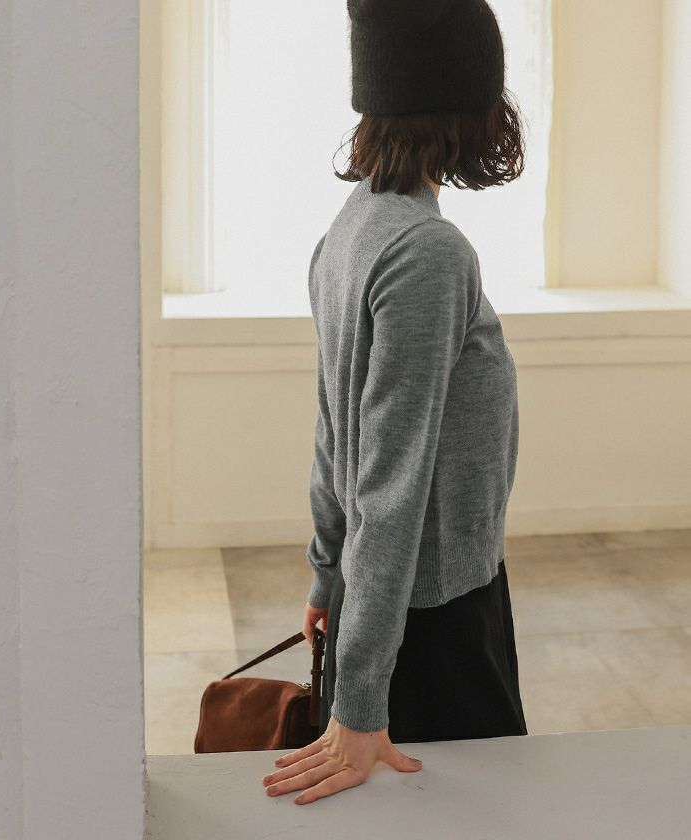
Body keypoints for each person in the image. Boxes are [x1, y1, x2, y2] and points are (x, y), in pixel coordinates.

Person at [262, 0, 527, 805]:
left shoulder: (350, 231)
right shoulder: (428, 252)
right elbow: (391, 484)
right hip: (436, 619)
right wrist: (361, 702)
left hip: (385, 597)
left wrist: (326, 580)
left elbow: (331, 435)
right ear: (461, 104)